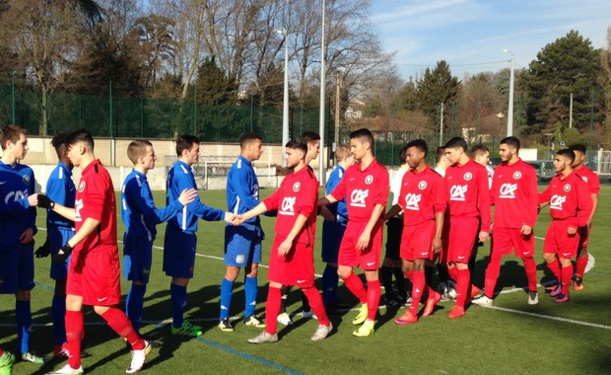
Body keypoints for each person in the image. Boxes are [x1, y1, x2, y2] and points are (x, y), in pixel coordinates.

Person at [38, 129, 151, 374]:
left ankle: (138, 345)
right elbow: (80, 216)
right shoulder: (85, 176)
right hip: (83, 250)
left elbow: (94, 219)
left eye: (69, 149)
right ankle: (74, 365)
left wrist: (68, 246)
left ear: (81, 148)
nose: (67, 154)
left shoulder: (98, 175)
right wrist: (52, 205)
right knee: (72, 302)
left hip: (99, 253)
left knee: (103, 308)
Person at [238, 139, 332, 344]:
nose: (286, 157)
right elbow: (272, 202)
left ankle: (325, 323)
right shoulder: (289, 179)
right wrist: (245, 216)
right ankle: (271, 332)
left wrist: (290, 239)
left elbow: (306, 211)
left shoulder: (308, 179)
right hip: (282, 239)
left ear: (301, 154)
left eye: (289, 153)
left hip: (298, 242)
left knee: (306, 285)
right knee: (275, 285)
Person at [318, 128, 389, 337]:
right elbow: (335, 196)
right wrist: (313, 203)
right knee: (343, 271)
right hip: (351, 227)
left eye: (355, 146)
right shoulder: (351, 171)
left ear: (367, 145)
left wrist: (368, 231)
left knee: (371, 275)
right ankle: (367, 302)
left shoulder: (380, 172)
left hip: (370, 228)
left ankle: (370, 320)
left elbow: (379, 204)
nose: (352, 150)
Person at [121, 139, 197, 334]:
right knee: (139, 287)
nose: (155, 157)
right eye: (151, 154)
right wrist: (178, 203)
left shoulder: (134, 180)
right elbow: (154, 216)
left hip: (137, 238)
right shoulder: (136, 183)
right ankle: (134, 336)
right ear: (141, 158)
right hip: (139, 240)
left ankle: (133, 334)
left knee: (138, 286)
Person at [164, 135, 235, 337]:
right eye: (196, 149)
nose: (199, 153)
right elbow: (196, 207)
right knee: (182, 279)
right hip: (183, 232)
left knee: (179, 278)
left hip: (177, 229)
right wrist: (224, 215)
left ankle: (178, 321)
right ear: (185, 152)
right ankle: (178, 324)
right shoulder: (182, 173)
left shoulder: (176, 170)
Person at [471, 137, 539, 307]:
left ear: (513, 150)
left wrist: (529, 223)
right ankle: (488, 295)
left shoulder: (527, 171)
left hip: (520, 225)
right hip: (501, 225)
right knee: (494, 259)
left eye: (503, 150)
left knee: (527, 258)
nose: (499, 153)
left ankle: (533, 290)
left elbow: (533, 200)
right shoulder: (499, 170)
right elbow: (493, 195)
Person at [0, 125, 46, 364]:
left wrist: (32, 228)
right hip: (3, 248)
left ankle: (24, 348)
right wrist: (24, 203)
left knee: (25, 294)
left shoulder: (27, 172)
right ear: (9, 144)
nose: (27, 147)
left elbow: (33, 209)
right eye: (23, 143)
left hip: (24, 246)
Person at [386, 139, 445, 324]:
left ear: (421, 155)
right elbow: (402, 203)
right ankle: (432, 294)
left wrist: (437, 236)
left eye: (411, 155)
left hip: (426, 227)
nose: (408, 158)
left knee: (419, 266)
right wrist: (384, 217)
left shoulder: (435, 179)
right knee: (406, 269)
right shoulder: (407, 176)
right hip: (408, 227)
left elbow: (440, 210)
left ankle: (412, 312)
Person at [218, 133, 266, 332]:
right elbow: (246, 201)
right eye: (259, 146)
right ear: (249, 148)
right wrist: (270, 208)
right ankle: (223, 318)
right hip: (240, 226)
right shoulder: (239, 169)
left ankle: (249, 315)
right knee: (233, 271)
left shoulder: (248, 168)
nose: (261, 150)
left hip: (253, 225)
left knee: (253, 269)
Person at [36, 133, 76, 358]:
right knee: (64, 289)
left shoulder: (65, 175)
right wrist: (54, 242)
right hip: (65, 236)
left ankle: (66, 337)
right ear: (66, 151)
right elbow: (55, 212)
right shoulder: (61, 176)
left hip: (63, 236)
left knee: (68, 288)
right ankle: (61, 342)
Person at [443, 137, 490, 319]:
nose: (447, 157)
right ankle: (470, 289)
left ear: (460, 150)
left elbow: (484, 201)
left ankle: (460, 305)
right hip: (449, 221)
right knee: (448, 264)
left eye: (449, 153)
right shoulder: (450, 171)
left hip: (467, 221)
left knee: (462, 263)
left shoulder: (478, 171)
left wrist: (485, 227)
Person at [277, 131, 321, 325]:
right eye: (317, 147)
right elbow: (289, 204)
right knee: (288, 274)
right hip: (294, 233)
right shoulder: (295, 175)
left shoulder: (309, 173)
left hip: (305, 234)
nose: (319, 151)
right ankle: (281, 311)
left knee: (304, 275)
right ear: (308, 148)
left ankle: (306, 309)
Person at [538, 149, 592, 303]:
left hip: (569, 224)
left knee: (564, 259)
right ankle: (562, 281)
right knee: (548, 255)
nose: (554, 163)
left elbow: (586, 207)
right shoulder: (556, 180)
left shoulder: (577, 181)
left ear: (567, 162)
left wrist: (576, 224)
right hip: (555, 224)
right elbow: (545, 196)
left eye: (557, 160)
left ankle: (564, 291)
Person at [319, 145, 354, 307]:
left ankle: (332, 295)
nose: (355, 160)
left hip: (340, 222)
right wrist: (344, 214)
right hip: (336, 224)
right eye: (353, 158)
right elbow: (332, 200)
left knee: (337, 261)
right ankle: (328, 298)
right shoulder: (339, 175)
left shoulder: (342, 174)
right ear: (346, 158)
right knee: (333, 262)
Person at [380, 146, 409, 307]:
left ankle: (402, 292)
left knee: (397, 259)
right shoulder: (402, 176)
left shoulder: (403, 175)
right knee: (391, 258)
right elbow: (399, 203)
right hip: (398, 221)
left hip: (399, 221)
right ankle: (390, 294)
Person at [568, 144, 600, 290]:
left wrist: (588, 221)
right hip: (565, 219)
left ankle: (578, 277)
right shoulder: (564, 174)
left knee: (581, 248)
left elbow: (594, 200)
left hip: (582, 219)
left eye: (576, 155)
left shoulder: (590, 176)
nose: (573, 158)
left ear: (583, 157)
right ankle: (560, 279)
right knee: (558, 249)